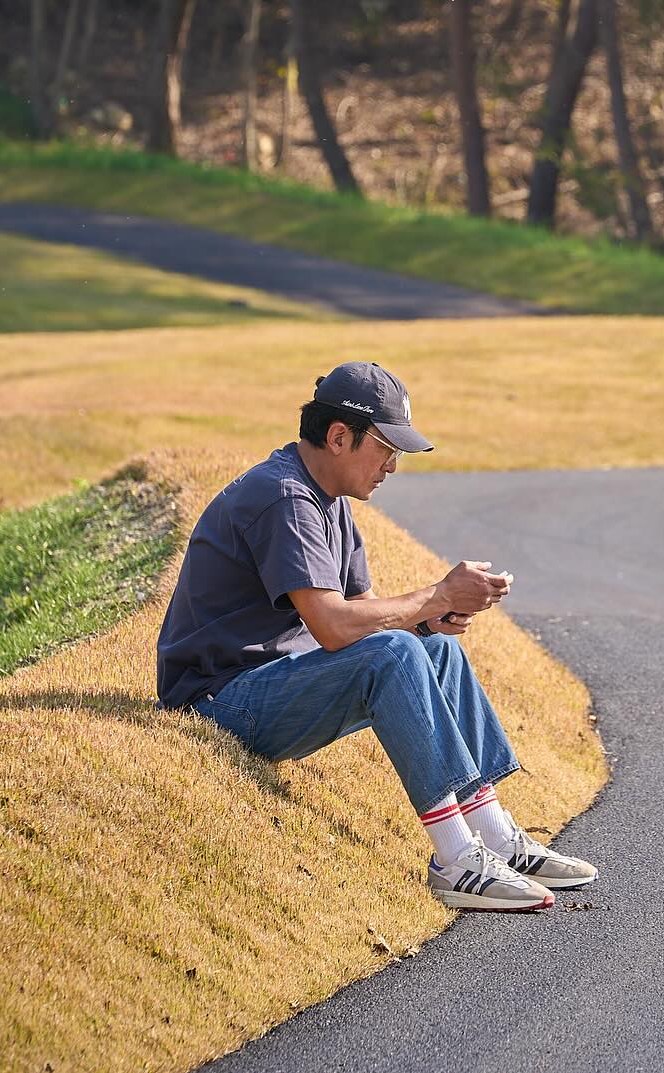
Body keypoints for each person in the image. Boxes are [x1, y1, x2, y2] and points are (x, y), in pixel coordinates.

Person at [156, 361, 597, 911]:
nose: (393, 466)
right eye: (386, 448)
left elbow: (363, 614)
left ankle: (497, 838)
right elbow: (335, 626)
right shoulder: (285, 499)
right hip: (219, 702)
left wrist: (432, 620)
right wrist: (436, 595)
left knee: (434, 649)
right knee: (395, 653)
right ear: (339, 437)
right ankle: (456, 860)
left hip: (269, 683)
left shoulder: (326, 499)